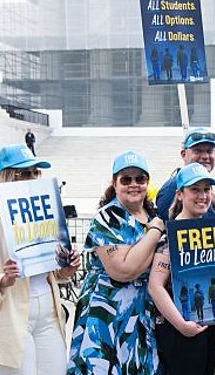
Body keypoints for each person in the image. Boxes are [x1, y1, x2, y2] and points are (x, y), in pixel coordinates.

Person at [0, 144, 78, 374]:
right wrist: (0, 279)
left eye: (35, 172)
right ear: (5, 177)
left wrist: (66, 267)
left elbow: (52, 269)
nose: (31, 177)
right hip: (9, 315)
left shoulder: (45, 210)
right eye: (23, 173)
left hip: (49, 313)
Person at [68, 151, 163, 374]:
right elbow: (123, 270)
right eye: (126, 179)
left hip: (141, 315)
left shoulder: (151, 215)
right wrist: (155, 232)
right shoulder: (107, 217)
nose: (134, 185)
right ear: (114, 182)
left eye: (140, 179)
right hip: (107, 316)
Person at [149, 163, 215, 374]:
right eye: (195, 189)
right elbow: (155, 286)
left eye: (207, 189)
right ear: (180, 194)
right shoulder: (170, 237)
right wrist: (181, 325)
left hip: (211, 326)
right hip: (181, 331)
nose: (203, 196)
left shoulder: (212, 233)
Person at [155, 127, 215, 221]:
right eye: (198, 151)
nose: (205, 156)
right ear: (183, 154)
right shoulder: (171, 190)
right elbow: (169, 230)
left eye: (209, 151)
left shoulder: (209, 190)